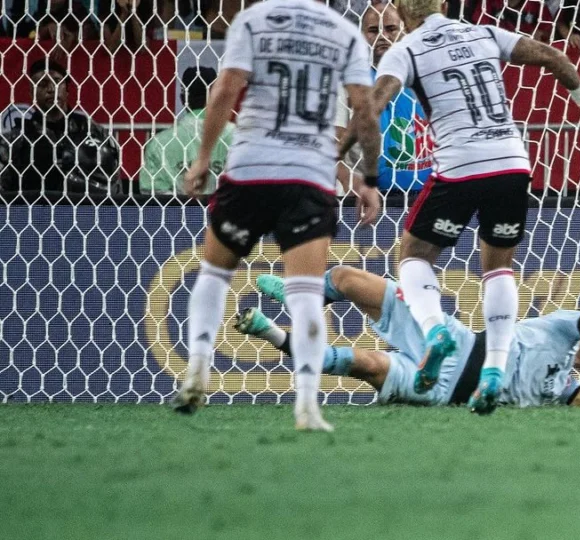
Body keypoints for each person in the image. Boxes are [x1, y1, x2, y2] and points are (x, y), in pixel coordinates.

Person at [339, 0, 580, 415]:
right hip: (512, 163)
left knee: (415, 254)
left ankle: (435, 331)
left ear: (402, 9)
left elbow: (371, 109)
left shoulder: (408, 47)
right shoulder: (484, 33)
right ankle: (493, 370)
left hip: (460, 166)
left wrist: (353, 165)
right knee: (498, 268)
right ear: (446, 4)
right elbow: (551, 55)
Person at [170, 0, 383, 432]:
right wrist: (367, 177)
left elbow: (225, 91)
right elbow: (364, 111)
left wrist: (203, 159)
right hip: (309, 174)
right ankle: (307, 406)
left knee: (214, 274)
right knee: (304, 293)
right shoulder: (344, 33)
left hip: (251, 168)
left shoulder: (253, 20)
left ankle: (197, 368)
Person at [235, 267, 580, 408]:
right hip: (455, 339)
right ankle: (303, 298)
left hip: (448, 390)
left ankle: (274, 334)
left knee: (366, 364)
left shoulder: (568, 392)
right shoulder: (560, 327)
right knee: (348, 280)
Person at [335, 2, 433, 194]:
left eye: (391, 29)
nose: (383, 36)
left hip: (426, 189)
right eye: (373, 30)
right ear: (361, 35)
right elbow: (334, 137)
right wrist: (350, 182)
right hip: (368, 188)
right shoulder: (347, 82)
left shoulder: (424, 76)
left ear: (405, 30)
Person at [1, 60, 119, 195]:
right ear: (32, 93)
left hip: (85, 211)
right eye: (43, 84)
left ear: (67, 90)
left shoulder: (91, 130)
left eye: (57, 81)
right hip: (34, 212)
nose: (51, 89)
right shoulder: (17, 139)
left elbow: (114, 182)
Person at [140, 66, 234, 195]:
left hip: (177, 214)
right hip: (224, 213)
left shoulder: (159, 143)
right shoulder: (237, 136)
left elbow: (152, 195)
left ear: (183, 99)